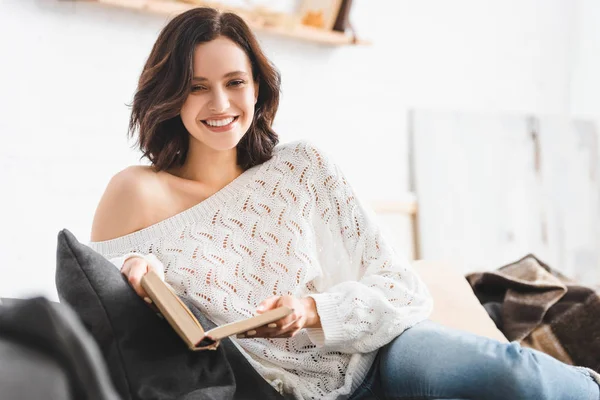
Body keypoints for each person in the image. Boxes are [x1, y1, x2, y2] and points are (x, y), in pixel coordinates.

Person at [89, 7, 600, 400]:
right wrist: (137, 268)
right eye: (197, 88)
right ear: (170, 95)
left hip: (380, 356)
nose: (221, 105)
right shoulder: (136, 192)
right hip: (272, 388)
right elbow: (104, 304)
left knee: (512, 372)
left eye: (234, 83)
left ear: (258, 86)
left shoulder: (301, 166)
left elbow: (403, 290)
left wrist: (311, 310)